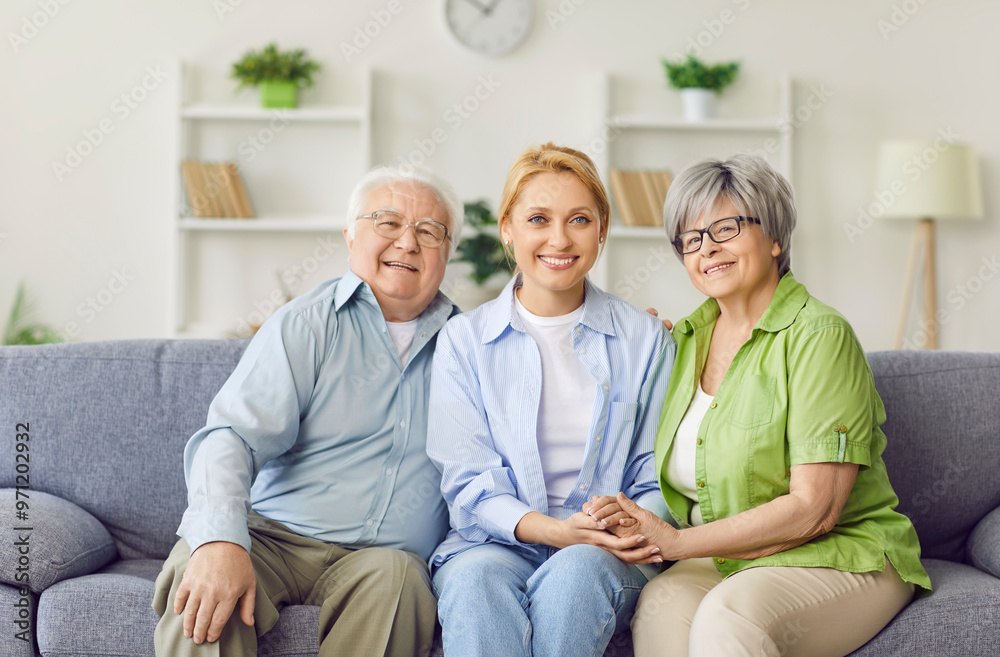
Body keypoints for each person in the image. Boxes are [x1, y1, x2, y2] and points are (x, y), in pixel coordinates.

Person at [594, 154, 932, 657]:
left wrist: (678, 543)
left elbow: (815, 509)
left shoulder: (820, 336)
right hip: (734, 558)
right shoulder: (682, 343)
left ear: (775, 238)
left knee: (727, 618)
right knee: (661, 606)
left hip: (842, 554)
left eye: (725, 228)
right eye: (691, 239)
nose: (707, 249)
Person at [151, 165, 465, 657]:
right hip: (273, 539)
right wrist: (218, 540)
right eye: (387, 222)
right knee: (206, 580)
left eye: (429, 231)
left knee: (402, 578)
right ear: (350, 235)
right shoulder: (305, 325)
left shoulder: (470, 348)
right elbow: (233, 437)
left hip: (381, 561)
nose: (408, 242)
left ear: (448, 251)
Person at [426, 142, 677, 657]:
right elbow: (468, 480)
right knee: (474, 587)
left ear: (601, 230)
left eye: (579, 219)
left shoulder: (647, 339)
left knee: (573, 580)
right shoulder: (464, 342)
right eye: (538, 218)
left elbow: (660, 475)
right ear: (507, 229)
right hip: (494, 545)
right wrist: (556, 531)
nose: (559, 239)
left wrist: (623, 524)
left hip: (608, 550)